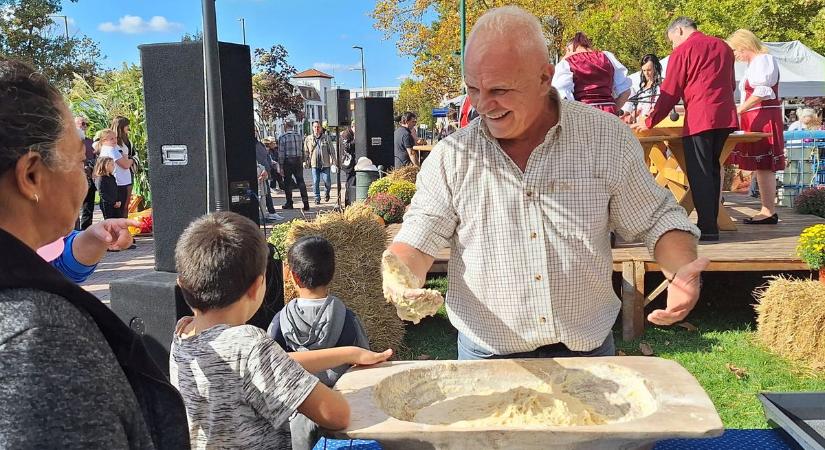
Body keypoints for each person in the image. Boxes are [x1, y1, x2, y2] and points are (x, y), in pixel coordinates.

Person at [382, 6, 708, 360]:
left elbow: (656, 216)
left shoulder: (604, 137)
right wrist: (400, 279)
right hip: (489, 355)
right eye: (473, 88)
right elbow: (420, 233)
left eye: (500, 90)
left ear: (544, 77)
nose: (482, 105)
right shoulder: (453, 155)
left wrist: (680, 268)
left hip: (588, 350)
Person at [0, 58, 189, 448]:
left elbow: (43, 271)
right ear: (32, 175)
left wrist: (87, 244)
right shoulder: (40, 342)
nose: (87, 177)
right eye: (80, 161)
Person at [170, 211, 392, 449]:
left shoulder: (182, 333)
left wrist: (350, 353)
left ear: (182, 285)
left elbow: (275, 361)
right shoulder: (250, 344)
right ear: (257, 286)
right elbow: (336, 415)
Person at [631, 17, 739, 242]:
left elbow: (671, 90)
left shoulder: (683, 51)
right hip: (725, 115)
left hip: (700, 116)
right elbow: (732, 85)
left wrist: (650, 121)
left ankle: (708, 228)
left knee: (699, 171)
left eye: (672, 40)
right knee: (712, 168)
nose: (673, 46)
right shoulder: (724, 47)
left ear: (679, 30)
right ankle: (711, 224)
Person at [268, 235, 370, 450]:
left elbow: (271, 374)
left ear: (292, 276)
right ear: (332, 274)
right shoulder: (348, 319)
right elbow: (365, 366)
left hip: (296, 413)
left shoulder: (280, 322)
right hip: (340, 411)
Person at [726, 29, 785, 224]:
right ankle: (766, 209)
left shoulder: (763, 60)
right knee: (761, 165)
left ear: (744, 45)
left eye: (736, 50)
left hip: (763, 115)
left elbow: (762, 90)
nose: (736, 55)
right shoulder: (754, 63)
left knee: (765, 164)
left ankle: (768, 211)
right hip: (755, 116)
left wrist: (739, 110)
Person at [552, 32, 632, 115]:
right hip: (609, 114)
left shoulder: (566, 63)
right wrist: (612, 110)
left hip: (583, 114)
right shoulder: (607, 56)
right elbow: (626, 91)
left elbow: (562, 96)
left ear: (568, 49)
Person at [279, 120, 311, 211]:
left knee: (287, 183)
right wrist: (304, 160)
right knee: (301, 182)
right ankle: (306, 203)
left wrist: (280, 166)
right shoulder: (299, 136)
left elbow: (281, 153)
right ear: (293, 126)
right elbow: (303, 149)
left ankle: (289, 203)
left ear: (285, 126)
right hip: (298, 160)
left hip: (288, 161)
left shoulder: (283, 137)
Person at [621, 54, 663, 123]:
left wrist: (646, 118)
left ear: (655, 68)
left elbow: (657, 107)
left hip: (653, 122)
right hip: (641, 122)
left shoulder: (661, 86)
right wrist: (630, 117)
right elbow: (640, 107)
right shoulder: (643, 86)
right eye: (644, 70)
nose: (646, 73)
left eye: (649, 70)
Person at [304, 121, 337, 205]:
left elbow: (332, 151)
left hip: (325, 164)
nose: (316, 128)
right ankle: (317, 197)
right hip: (314, 164)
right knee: (315, 181)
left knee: (327, 182)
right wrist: (305, 161)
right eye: (315, 127)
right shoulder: (308, 138)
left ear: (321, 128)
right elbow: (306, 151)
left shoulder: (326, 138)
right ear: (312, 128)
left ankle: (327, 193)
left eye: (318, 127)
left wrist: (334, 161)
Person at [75, 115, 97, 230]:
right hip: (75, 179)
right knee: (74, 207)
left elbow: (96, 158)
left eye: (86, 124)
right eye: (82, 123)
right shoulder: (68, 143)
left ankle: (86, 231)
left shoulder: (90, 142)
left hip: (89, 177)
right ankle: (75, 233)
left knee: (88, 206)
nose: (85, 126)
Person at [111, 116, 133, 218]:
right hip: (117, 178)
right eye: (126, 125)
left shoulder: (125, 140)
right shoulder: (114, 143)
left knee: (125, 206)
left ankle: (125, 229)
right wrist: (133, 160)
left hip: (127, 177)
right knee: (120, 208)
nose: (128, 128)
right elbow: (125, 163)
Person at [256, 138, 280, 219]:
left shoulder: (259, 144)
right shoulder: (256, 145)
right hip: (260, 172)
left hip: (264, 171)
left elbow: (266, 157)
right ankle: (269, 212)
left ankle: (270, 212)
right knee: (264, 194)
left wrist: (268, 167)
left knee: (266, 193)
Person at [93, 156, 120, 220]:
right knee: (109, 222)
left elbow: (115, 189)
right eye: (112, 165)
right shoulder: (100, 179)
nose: (114, 166)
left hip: (115, 203)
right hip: (107, 205)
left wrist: (118, 200)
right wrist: (113, 202)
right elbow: (102, 193)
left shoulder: (111, 177)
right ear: (105, 165)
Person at [339, 124, 357, 205]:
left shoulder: (351, 134)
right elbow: (347, 147)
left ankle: (350, 201)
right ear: (353, 127)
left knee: (351, 183)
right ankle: (348, 202)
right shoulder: (346, 134)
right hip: (348, 164)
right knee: (350, 183)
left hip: (352, 163)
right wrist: (356, 140)